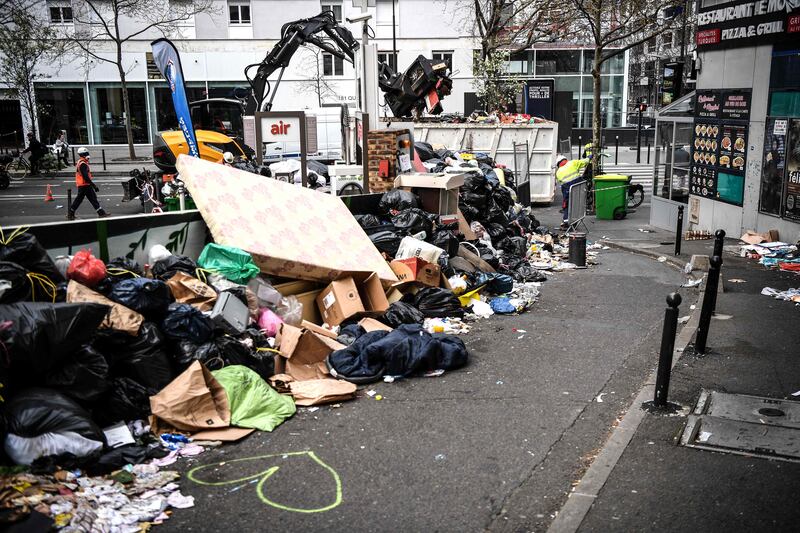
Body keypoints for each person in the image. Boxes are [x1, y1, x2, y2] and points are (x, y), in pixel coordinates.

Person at [68, 147, 109, 220]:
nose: (88, 155)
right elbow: (85, 177)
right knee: (85, 199)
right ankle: (70, 213)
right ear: (82, 155)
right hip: (84, 185)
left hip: (84, 184)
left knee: (90, 198)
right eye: (86, 153)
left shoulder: (81, 162)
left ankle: (101, 213)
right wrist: (94, 185)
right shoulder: (82, 164)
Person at [555, 155, 590, 229]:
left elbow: (561, 183)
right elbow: (584, 162)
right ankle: (575, 219)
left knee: (567, 204)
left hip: (567, 189)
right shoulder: (572, 163)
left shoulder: (558, 172)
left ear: (558, 164)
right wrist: (589, 157)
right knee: (577, 203)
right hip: (578, 186)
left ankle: (566, 221)